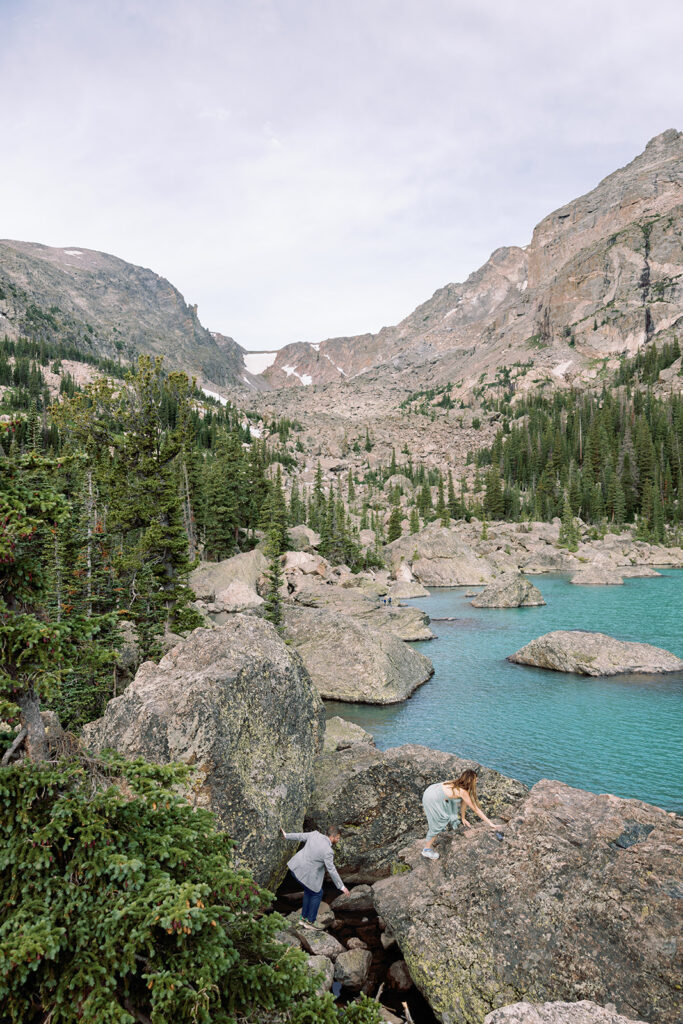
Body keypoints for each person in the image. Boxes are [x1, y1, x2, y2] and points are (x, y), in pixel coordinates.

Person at [421, 768, 498, 860]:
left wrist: (463, 818)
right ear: (472, 781)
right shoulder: (463, 792)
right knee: (438, 823)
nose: (477, 782)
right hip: (433, 798)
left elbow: (463, 804)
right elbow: (476, 809)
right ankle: (426, 850)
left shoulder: (455, 783)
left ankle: (428, 846)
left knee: (439, 820)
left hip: (430, 790)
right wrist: (490, 823)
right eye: (476, 780)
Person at [281, 825, 349, 928]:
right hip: (305, 874)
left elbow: (300, 836)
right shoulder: (328, 851)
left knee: (309, 891)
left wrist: (286, 835)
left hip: (295, 868)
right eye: (338, 838)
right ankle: (310, 922)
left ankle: (303, 918)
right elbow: (332, 870)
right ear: (333, 837)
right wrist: (342, 887)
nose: (338, 840)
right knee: (318, 893)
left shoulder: (314, 834)